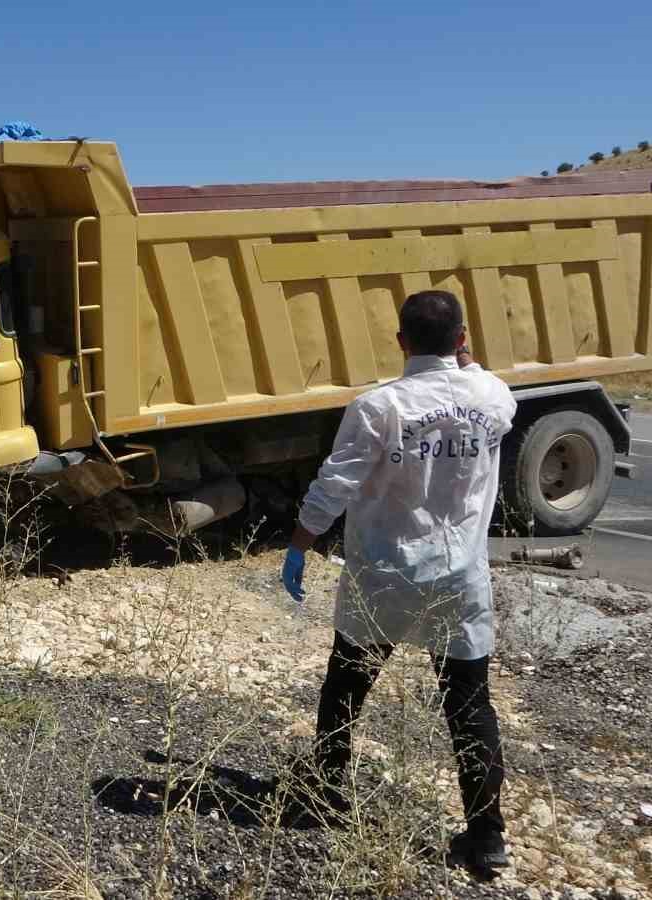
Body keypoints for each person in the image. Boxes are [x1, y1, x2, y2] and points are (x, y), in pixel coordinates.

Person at [280, 290, 517, 874]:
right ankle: (487, 837)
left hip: (385, 571)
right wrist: (463, 355)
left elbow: (334, 486)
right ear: (462, 339)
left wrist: (300, 544)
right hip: (460, 578)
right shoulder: (493, 397)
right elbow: (478, 376)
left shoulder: (378, 407)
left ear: (400, 342)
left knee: (346, 684)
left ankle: (326, 790)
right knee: (468, 704)